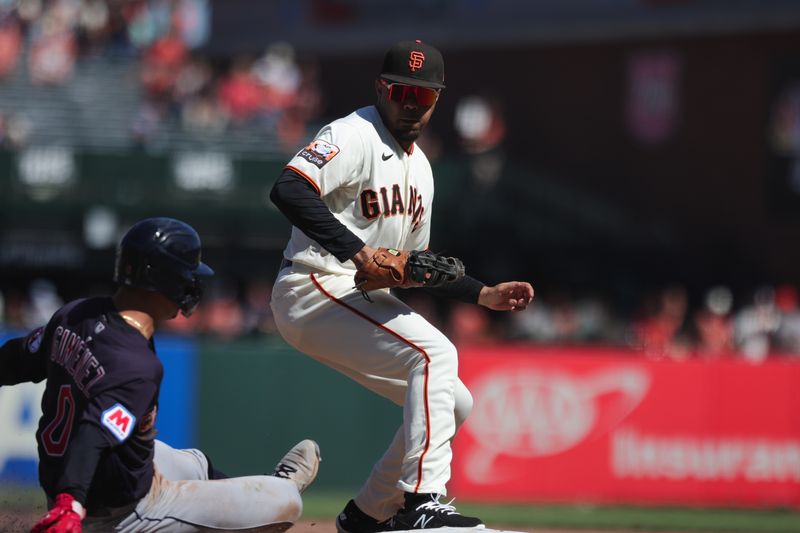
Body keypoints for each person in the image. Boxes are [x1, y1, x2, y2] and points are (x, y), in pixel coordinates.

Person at [269, 40, 534, 531]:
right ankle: (423, 504)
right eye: (402, 91)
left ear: (437, 101)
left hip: (357, 294)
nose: (411, 104)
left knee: (456, 403)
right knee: (435, 353)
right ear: (381, 88)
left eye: (424, 96)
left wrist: (482, 293)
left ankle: (368, 512)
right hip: (312, 285)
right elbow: (288, 188)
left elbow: (414, 266)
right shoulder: (353, 134)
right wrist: (357, 251)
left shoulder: (423, 171)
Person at [0, 217, 321, 533]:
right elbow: (94, 432)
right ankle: (272, 495)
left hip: (85, 476)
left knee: (194, 463)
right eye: (185, 277)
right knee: (287, 501)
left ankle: (234, 504)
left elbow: (15, 359)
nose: (191, 286)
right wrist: (71, 502)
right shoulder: (136, 367)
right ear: (161, 280)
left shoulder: (76, 314)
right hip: (121, 512)